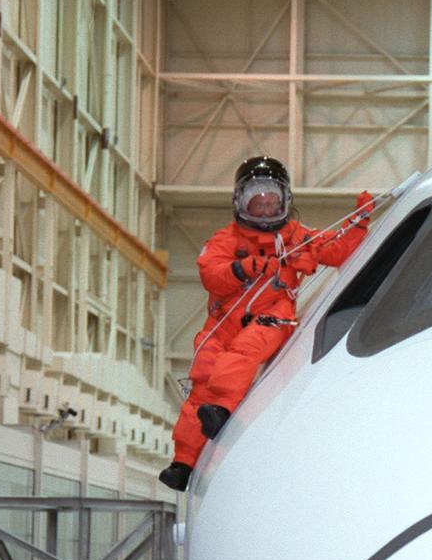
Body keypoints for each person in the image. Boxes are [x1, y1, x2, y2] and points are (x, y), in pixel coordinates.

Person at [158, 156, 373, 492]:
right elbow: (211, 274)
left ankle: (222, 412)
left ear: (284, 201)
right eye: (256, 203)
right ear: (241, 202)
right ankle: (183, 462)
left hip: (272, 315)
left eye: (271, 202)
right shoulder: (225, 240)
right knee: (203, 379)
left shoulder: (297, 237)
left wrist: (359, 222)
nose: (264, 209)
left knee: (243, 354)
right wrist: (242, 269)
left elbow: (336, 249)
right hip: (223, 321)